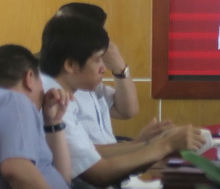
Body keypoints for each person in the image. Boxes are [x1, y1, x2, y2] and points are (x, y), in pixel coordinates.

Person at [40, 16, 205, 187]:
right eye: (97, 60)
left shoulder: (63, 89)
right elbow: (99, 174)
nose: (104, 68)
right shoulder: (53, 100)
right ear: (70, 65)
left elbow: (92, 153)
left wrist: (148, 144)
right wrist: (166, 145)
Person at [55, 2, 172, 145]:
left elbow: (127, 111)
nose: (106, 42)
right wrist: (140, 144)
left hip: (114, 152)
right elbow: (82, 154)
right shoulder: (55, 92)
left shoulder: (86, 81)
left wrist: (120, 68)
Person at [0, 44, 72, 189]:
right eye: (41, 83)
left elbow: (62, 179)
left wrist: (53, 121)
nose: (43, 91)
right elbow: (17, 172)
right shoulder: (13, 100)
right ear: (29, 78)